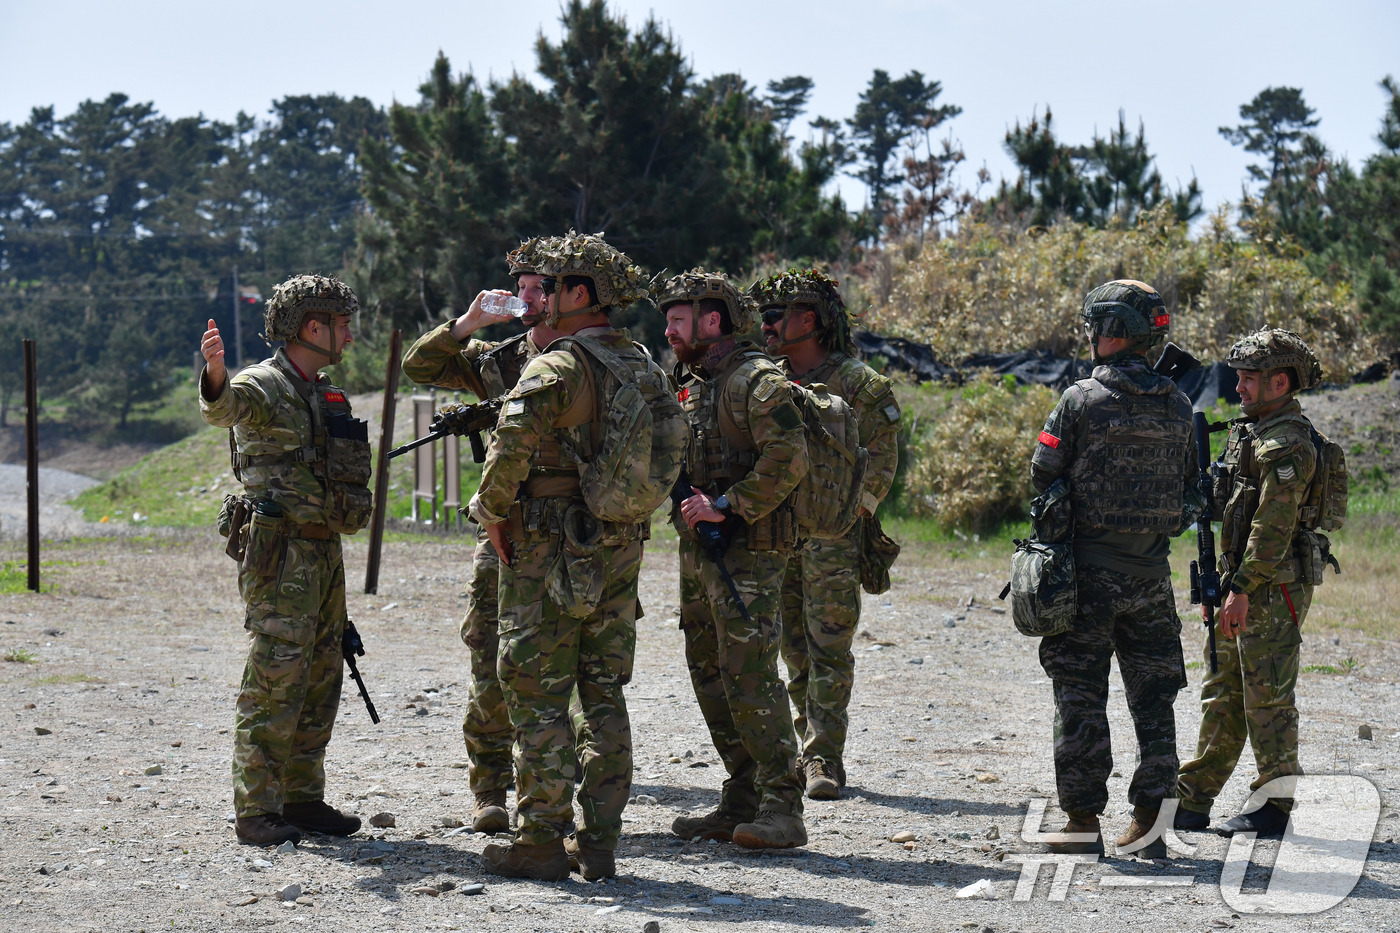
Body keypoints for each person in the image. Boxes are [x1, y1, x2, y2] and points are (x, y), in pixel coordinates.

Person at [468, 231, 663, 881]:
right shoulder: (642, 363)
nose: (539, 297)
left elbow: (512, 437)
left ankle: (542, 840)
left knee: (535, 688)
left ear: (581, 294)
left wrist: (493, 511)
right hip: (620, 540)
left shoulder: (559, 364)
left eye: (549, 286)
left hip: (549, 542)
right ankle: (600, 841)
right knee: (602, 688)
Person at [199, 274, 371, 846]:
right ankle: (257, 809)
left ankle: (301, 797)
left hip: (325, 548)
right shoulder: (263, 385)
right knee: (276, 675)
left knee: (323, 673)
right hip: (281, 552)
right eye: (340, 325)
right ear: (311, 328)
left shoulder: (324, 392)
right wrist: (216, 373)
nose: (348, 336)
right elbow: (226, 407)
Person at [1029, 280, 1199, 858]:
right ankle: (1150, 829)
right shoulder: (1179, 404)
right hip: (1151, 582)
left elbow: (1043, 470)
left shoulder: (1080, 400)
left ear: (1112, 331)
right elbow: (1193, 494)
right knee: (1155, 704)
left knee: (1079, 697)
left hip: (1087, 583)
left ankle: (1081, 823)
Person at [401, 238, 560, 835]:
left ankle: (550, 793)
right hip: (502, 526)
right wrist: (469, 323)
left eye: (536, 285)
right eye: (517, 285)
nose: (524, 295)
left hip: (570, 528)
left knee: (561, 660)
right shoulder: (499, 359)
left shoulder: (592, 360)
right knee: (489, 652)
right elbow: (420, 365)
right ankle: (490, 789)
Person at [662, 268, 811, 850]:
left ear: (712, 320)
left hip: (750, 549)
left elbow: (790, 452)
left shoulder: (755, 380)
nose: (669, 331)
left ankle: (783, 805)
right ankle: (743, 795)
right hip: (702, 550)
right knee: (709, 671)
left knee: (750, 672)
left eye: (678, 320)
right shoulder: (695, 380)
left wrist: (729, 504)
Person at [753, 269, 900, 800]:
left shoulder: (859, 385)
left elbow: (882, 453)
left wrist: (855, 510)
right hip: (776, 533)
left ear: (809, 320)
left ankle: (823, 758)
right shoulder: (765, 379)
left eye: (777, 315)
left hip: (833, 537)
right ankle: (801, 747)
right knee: (791, 645)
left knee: (829, 647)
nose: (766, 325)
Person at [1175, 329, 1326, 837]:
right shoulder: (1253, 432)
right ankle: (1193, 801)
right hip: (1240, 582)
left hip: (1269, 586)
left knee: (1267, 697)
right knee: (1223, 690)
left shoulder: (1288, 443)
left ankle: (1274, 808)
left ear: (1279, 381)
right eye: (1238, 376)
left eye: (1247, 378)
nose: (1237, 386)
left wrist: (1240, 590)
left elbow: (1273, 528)